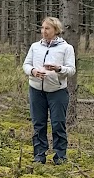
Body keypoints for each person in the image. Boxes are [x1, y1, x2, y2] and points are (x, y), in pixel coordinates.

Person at [23, 16, 76, 165]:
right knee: (38, 124)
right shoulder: (35, 47)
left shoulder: (66, 48)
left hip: (57, 91)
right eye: (42, 28)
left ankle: (60, 156)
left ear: (56, 30)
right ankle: (39, 155)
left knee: (58, 123)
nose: (44, 31)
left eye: (47, 28)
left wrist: (59, 69)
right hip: (36, 90)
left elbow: (71, 70)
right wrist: (33, 71)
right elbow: (26, 64)